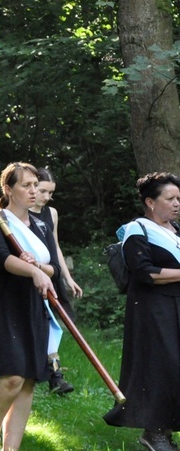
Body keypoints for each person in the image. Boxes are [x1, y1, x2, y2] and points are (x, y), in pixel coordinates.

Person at [0, 162, 59, 451]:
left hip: (32, 307)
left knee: (27, 381)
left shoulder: (42, 226)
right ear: (8, 189)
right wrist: (33, 271)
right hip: (0, 306)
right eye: (26, 185)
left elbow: (55, 269)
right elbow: (1, 258)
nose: (33, 191)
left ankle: (12, 447)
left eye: (36, 185)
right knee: (12, 376)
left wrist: (41, 268)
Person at [103, 172, 180, 451]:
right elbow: (144, 272)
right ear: (150, 201)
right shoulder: (137, 229)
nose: (176, 204)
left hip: (177, 304)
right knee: (162, 367)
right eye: (169, 199)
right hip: (152, 309)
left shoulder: (177, 231)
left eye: (178, 199)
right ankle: (155, 431)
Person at [30, 167, 83, 395]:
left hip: (52, 274)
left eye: (50, 193)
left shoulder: (51, 213)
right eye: (42, 191)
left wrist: (67, 277)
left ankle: (55, 376)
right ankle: (45, 373)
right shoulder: (14, 214)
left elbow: (55, 247)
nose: (46, 197)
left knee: (54, 324)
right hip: (31, 278)